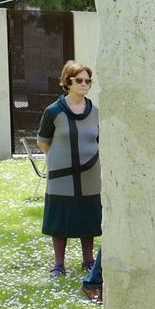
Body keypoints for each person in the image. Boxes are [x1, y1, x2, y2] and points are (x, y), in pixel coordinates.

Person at [36, 60, 101, 278]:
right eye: (79, 80)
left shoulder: (95, 112)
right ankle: (58, 264)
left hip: (90, 173)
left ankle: (88, 260)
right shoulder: (53, 111)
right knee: (60, 217)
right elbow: (42, 142)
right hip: (61, 175)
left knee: (88, 215)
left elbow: (99, 139)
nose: (84, 84)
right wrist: (58, 160)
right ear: (68, 82)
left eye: (88, 81)